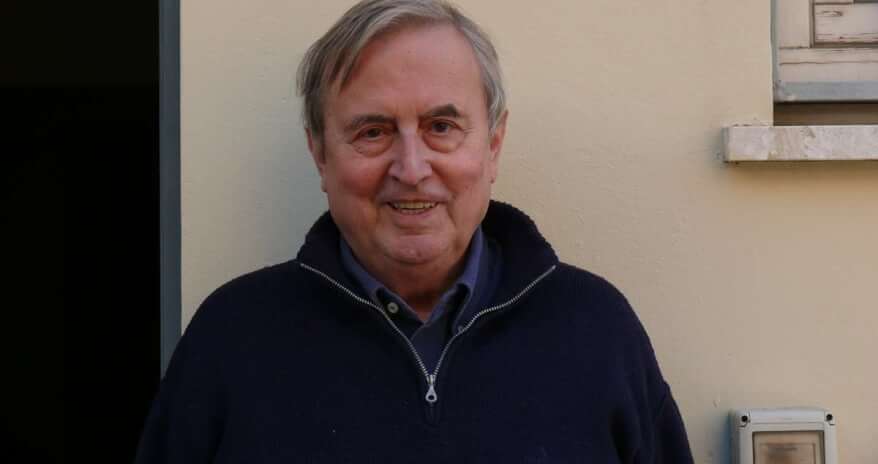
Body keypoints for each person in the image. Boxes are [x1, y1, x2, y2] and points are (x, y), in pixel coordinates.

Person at [135, 0, 694, 462]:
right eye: (373, 132)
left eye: (441, 127)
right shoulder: (231, 340)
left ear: (493, 145)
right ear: (320, 154)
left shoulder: (598, 331)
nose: (411, 167)